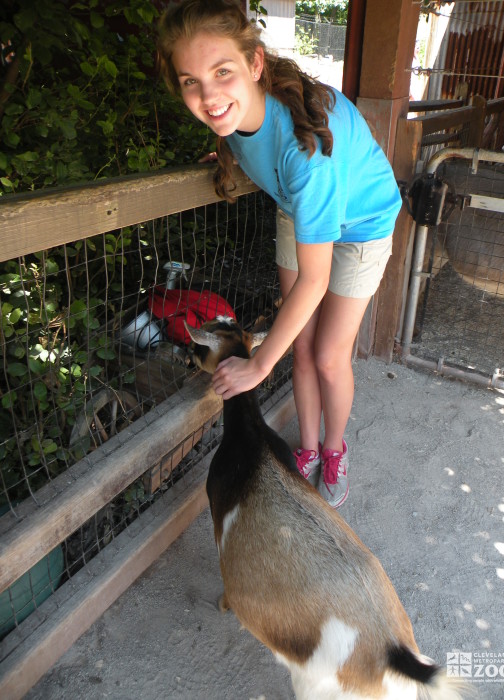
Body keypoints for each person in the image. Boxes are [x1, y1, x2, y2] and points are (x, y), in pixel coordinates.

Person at [157, 0, 401, 508]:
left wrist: (258, 366)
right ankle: (307, 448)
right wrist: (226, 149)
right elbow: (248, 138)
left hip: (362, 225)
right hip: (301, 211)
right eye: (190, 82)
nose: (207, 95)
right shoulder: (235, 116)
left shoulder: (303, 155)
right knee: (303, 346)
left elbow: (313, 282)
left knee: (330, 356)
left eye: (221, 72)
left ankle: (335, 449)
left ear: (255, 65)